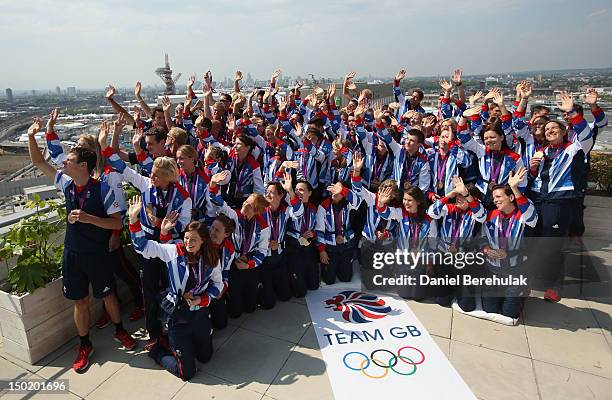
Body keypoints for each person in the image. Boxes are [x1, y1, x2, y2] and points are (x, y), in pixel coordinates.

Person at [27, 117, 136, 373]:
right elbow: (39, 162)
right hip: (73, 253)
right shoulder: (66, 184)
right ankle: (84, 344)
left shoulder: (103, 189)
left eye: (70, 160)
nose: (64, 162)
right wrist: (33, 137)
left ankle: (120, 330)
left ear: (83, 166)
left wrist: (88, 218)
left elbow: (116, 223)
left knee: (107, 294)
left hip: (97, 254)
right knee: (80, 301)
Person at [99, 133, 192, 350]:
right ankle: (154, 334)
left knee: (170, 289)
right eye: (151, 174)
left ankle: (172, 330)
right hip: (147, 244)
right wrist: (104, 146)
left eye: (156, 175)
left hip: (170, 246)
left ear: (169, 177)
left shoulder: (182, 197)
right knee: (149, 290)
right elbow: (123, 169)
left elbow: (184, 225)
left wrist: (160, 222)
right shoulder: (146, 184)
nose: (151, 177)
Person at [128, 196, 222, 381]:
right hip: (177, 314)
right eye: (186, 238)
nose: (188, 242)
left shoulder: (212, 259)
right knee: (187, 373)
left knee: (206, 357)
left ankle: (182, 346)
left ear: (203, 241)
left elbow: (218, 285)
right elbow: (142, 247)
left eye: (193, 239)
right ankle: (157, 351)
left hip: (199, 313)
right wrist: (133, 221)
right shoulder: (174, 251)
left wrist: (202, 300)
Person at [208, 171, 270, 317]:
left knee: (250, 308)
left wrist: (249, 264)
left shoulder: (264, 226)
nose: (244, 204)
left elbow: (262, 252)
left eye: (249, 204)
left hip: (249, 265)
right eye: (246, 201)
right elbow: (218, 202)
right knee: (235, 313)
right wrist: (212, 184)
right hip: (233, 263)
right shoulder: (235, 216)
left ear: (256, 211)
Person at [480, 168, 538, 318]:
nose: (495, 200)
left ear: (511, 198)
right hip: (494, 271)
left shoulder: (523, 216)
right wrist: (486, 249)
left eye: (499, 196)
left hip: (516, 271)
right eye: (494, 198)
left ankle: (523, 290)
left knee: (509, 313)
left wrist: (514, 188)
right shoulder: (491, 215)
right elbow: (481, 238)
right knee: (490, 310)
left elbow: (532, 217)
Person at [260, 175, 303, 309]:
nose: (268, 194)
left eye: (272, 192)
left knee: (285, 296)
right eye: (267, 191)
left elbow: (299, 212)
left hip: (279, 259)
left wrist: (290, 191)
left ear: (281, 196)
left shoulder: (285, 210)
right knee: (268, 304)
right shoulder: (260, 211)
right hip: (263, 261)